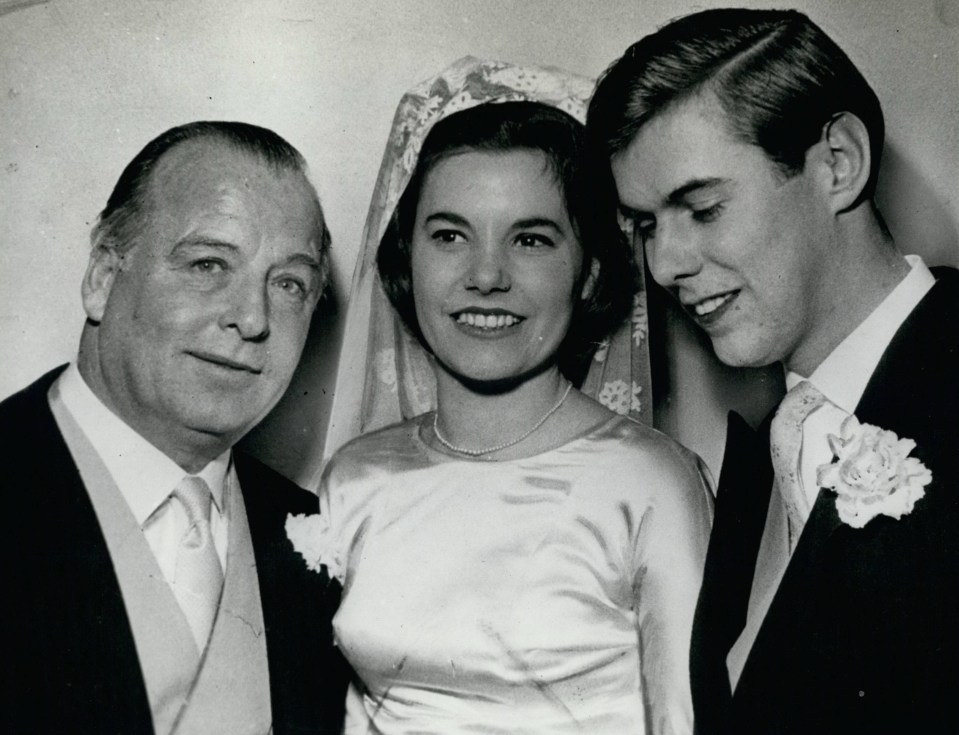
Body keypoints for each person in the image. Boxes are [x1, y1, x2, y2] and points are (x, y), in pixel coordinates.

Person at [311, 58, 712, 734]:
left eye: (529, 239)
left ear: (587, 272)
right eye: (448, 236)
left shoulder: (650, 483)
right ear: (406, 258)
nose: (486, 275)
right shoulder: (354, 476)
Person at [588, 8, 959, 735]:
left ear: (838, 164)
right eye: (645, 225)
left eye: (701, 207)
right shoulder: (764, 449)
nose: (663, 264)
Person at [1, 121, 347, 734]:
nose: (252, 318)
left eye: (290, 283)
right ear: (104, 277)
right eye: (209, 264)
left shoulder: (314, 532)